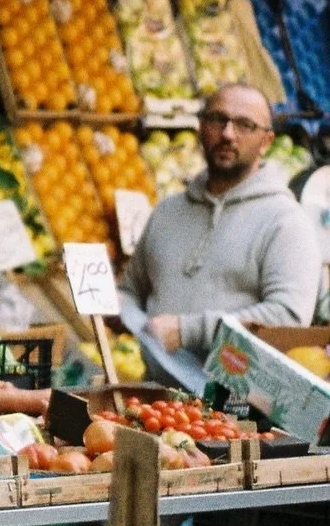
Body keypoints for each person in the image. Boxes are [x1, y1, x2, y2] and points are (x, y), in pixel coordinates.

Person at [122, 81, 321, 356]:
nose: (228, 134)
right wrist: (121, 313)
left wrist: (187, 330)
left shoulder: (286, 223)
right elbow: (131, 290)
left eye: (245, 125)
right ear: (200, 127)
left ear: (266, 142)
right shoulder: (167, 211)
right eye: (218, 119)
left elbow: (287, 318)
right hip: (153, 396)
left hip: (229, 397)